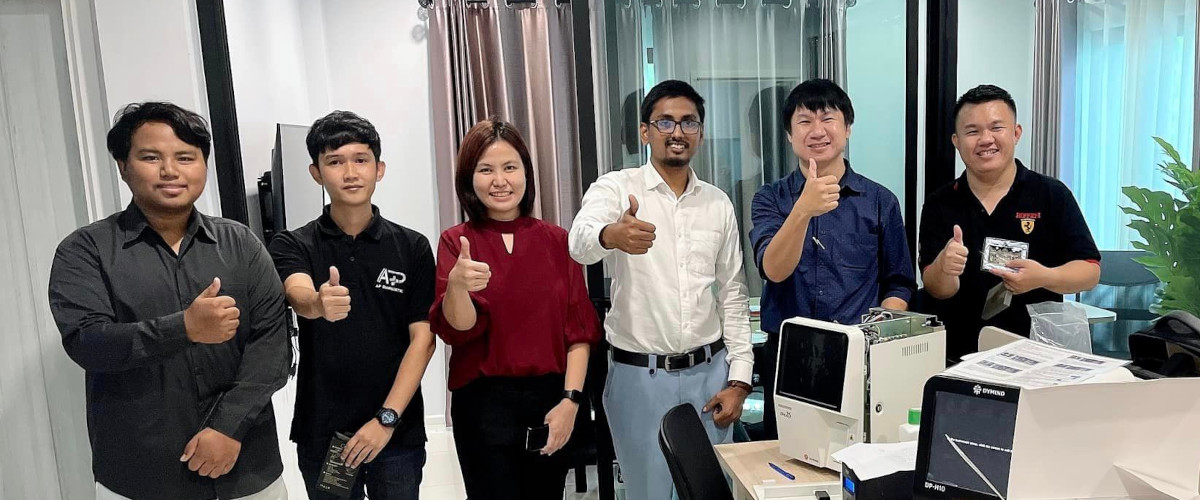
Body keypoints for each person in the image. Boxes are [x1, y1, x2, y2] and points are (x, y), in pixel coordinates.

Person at [48, 102, 290, 500]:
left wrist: (227, 426)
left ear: (203, 165)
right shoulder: (85, 250)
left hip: (248, 466)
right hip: (142, 475)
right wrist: (185, 328)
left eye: (185, 157)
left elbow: (272, 345)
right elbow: (87, 343)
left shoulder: (241, 244)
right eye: (150, 157)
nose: (170, 170)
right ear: (123, 166)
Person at [568, 80, 754, 500]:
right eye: (665, 122)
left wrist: (740, 380)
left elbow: (733, 294)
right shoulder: (617, 188)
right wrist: (611, 235)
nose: (677, 132)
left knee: (711, 491)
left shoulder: (717, 203)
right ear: (644, 132)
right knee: (648, 494)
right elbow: (578, 243)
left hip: (710, 376)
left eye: (689, 122)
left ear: (700, 132)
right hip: (639, 378)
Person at [268, 111, 436, 499]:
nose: (350, 173)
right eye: (335, 162)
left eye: (361, 160)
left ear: (379, 169)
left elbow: (423, 339)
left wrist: (387, 418)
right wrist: (317, 303)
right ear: (316, 173)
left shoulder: (412, 246)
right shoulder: (293, 244)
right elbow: (298, 293)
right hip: (326, 431)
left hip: (396, 431)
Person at [430, 119, 600, 500]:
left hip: (551, 400)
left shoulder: (558, 241)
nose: (499, 181)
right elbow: (459, 329)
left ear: (526, 172)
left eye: (510, 167)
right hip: (482, 406)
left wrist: (571, 402)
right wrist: (457, 286)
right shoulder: (456, 242)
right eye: (485, 170)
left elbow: (579, 333)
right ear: (469, 178)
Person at [749, 78, 916, 439]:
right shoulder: (770, 198)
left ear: (848, 128)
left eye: (828, 118)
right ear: (789, 135)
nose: (817, 130)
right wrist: (803, 210)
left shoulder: (880, 201)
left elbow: (899, 282)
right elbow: (774, 270)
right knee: (787, 454)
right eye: (804, 121)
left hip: (859, 351)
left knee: (857, 452)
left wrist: (875, 338)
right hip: (788, 355)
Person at [919, 84, 1100, 360]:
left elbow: (1089, 271)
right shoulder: (939, 203)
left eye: (996, 128)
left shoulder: (1051, 194)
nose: (985, 139)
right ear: (956, 141)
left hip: (1036, 353)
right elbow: (936, 288)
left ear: (1016, 133)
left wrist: (1043, 277)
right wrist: (945, 268)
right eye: (972, 131)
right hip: (958, 354)